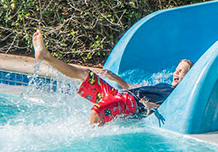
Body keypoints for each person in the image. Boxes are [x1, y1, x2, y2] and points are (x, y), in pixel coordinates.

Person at [32, 29, 193, 126]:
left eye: (182, 71)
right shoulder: (164, 85)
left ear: (189, 77)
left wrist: (149, 106)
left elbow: (168, 108)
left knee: (97, 112)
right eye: (177, 70)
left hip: (129, 104)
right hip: (122, 96)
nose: (176, 73)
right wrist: (115, 78)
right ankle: (46, 56)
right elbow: (131, 87)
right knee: (85, 73)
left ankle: (90, 144)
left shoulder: (175, 94)